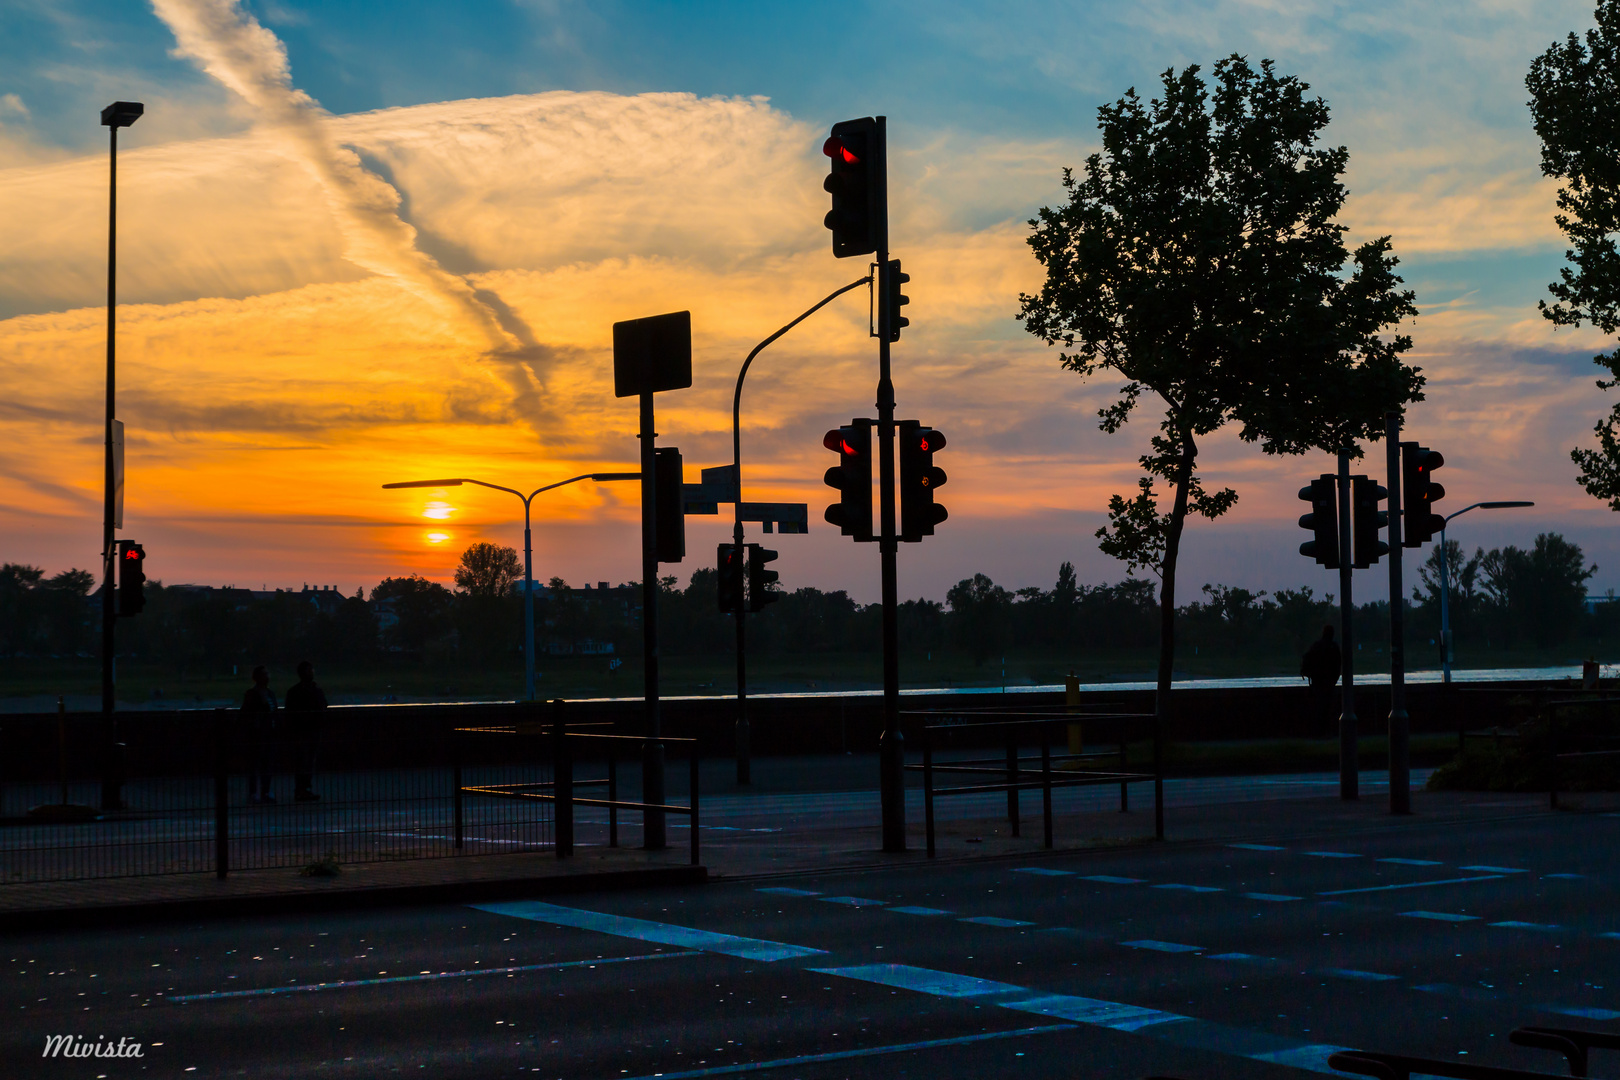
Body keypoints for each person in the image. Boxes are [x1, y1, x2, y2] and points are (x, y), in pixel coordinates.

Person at [284, 660, 329, 802]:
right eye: (310, 670)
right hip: (309, 730)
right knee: (306, 761)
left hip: (304, 730)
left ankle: (302, 789)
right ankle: (304, 789)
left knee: (305, 761)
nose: (312, 672)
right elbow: (323, 706)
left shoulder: (294, 691)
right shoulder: (315, 690)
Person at [240, 666, 277, 804]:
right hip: (257, 734)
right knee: (256, 764)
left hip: (267, 733)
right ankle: (256, 792)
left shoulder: (267, 693)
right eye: (265, 674)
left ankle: (262, 791)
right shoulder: (253, 694)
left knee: (264, 764)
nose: (267, 677)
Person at [1300, 624, 1342, 735]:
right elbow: (1338, 665)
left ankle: (1318, 732)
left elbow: (1307, 659)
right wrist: (1334, 680)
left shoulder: (1316, 646)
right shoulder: (1334, 647)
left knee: (1318, 708)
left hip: (1317, 682)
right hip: (1329, 683)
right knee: (1328, 708)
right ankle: (1327, 732)